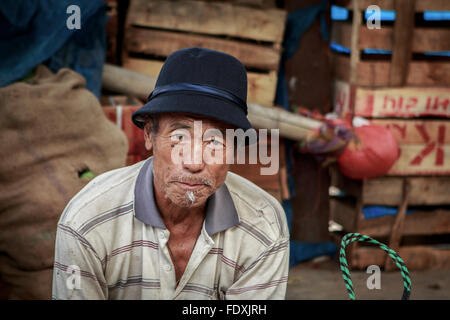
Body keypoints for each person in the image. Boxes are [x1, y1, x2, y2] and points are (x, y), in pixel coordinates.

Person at [52, 47, 289, 299]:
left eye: (216, 141)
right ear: (149, 135)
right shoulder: (88, 220)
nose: (194, 162)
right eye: (179, 136)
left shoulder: (264, 225)